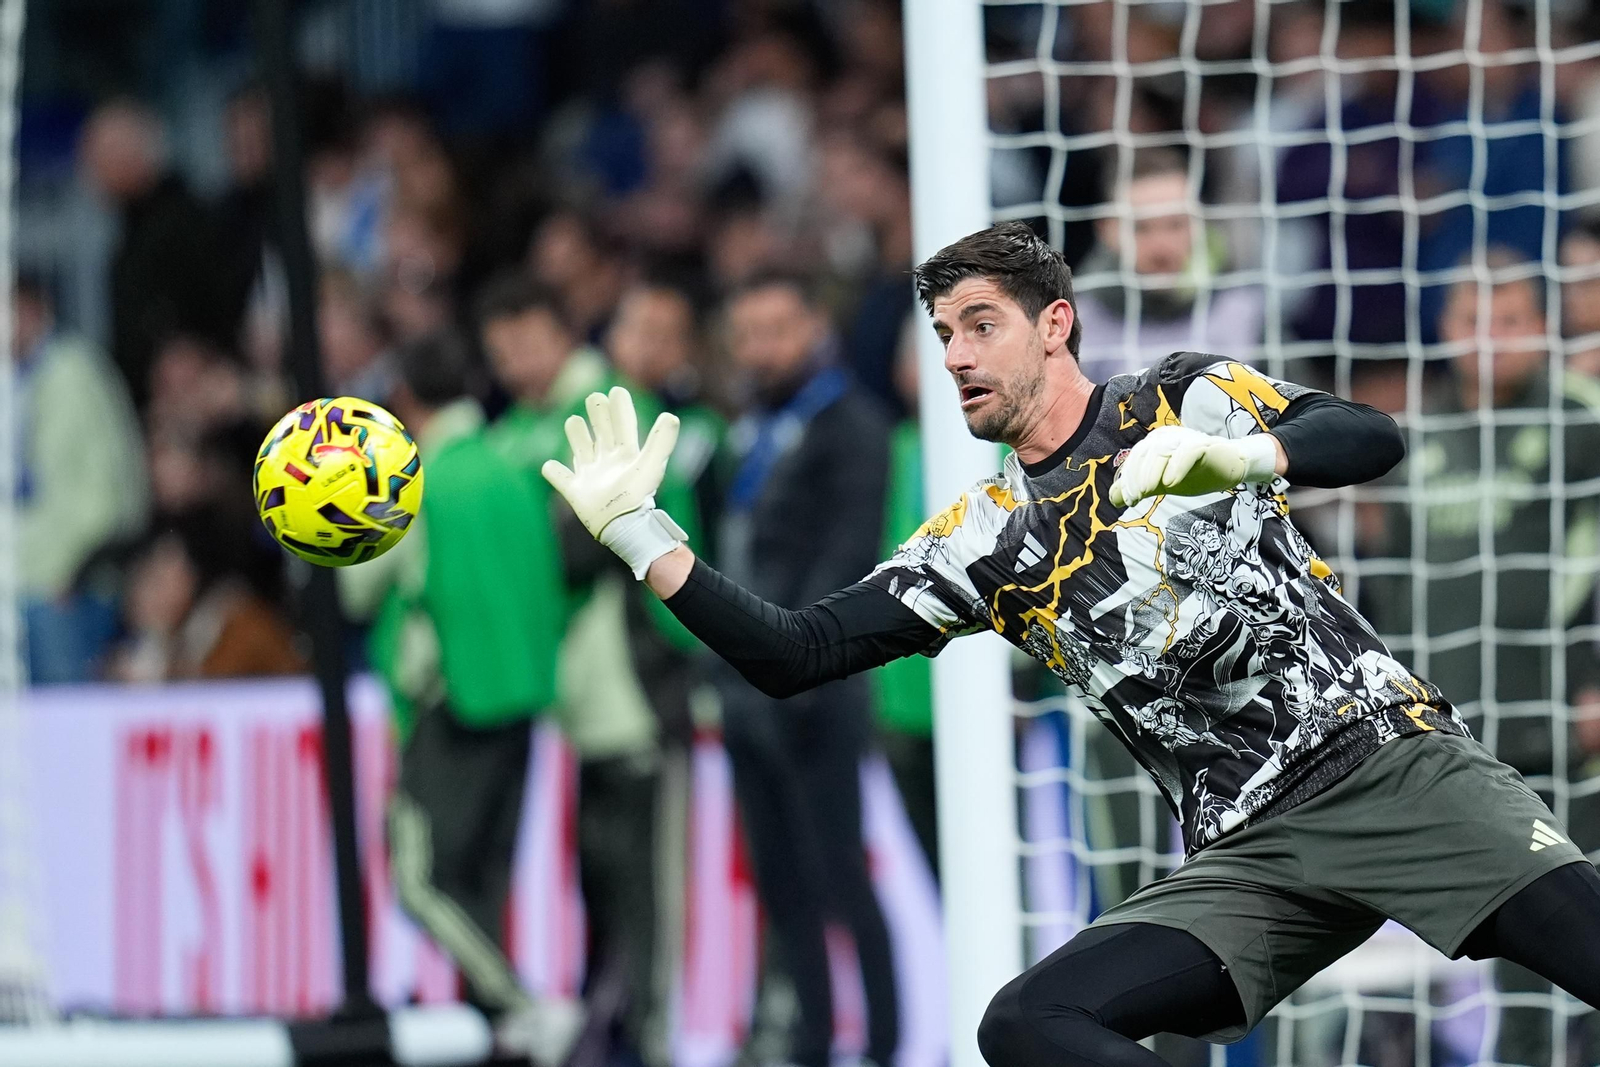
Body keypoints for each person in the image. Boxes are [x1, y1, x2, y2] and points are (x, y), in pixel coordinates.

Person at [541, 222, 1600, 1067]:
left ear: (1056, 324)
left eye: (978, 324)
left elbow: (1371, 436)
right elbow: (794, 651)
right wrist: (647, 540)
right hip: (1250, 851)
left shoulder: (1178, 400)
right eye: (941, 333)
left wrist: (1238, 459)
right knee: (1027, 1021)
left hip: (1389, 767)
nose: (954, 354)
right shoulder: (979, 542)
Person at [1366, 248, 1600, 1064]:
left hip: (1560, 729)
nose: (1493, 340)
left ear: (1542, 328)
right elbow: (1393, 588)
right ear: (1447, 331)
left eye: (1512, 322)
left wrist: (1592, 675)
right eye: (1475, 322)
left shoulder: (1578, 422)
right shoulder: (1414, 442)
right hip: (1454, 738)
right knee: (1510, 953)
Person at [337, 328, 581, 1065]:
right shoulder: (513, 467)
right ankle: (505, 1027)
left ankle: (523, 1005)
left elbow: (361, 586)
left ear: (405, 398)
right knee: (481, 876)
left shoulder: (419, 482)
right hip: (522, 695)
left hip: (450, 701)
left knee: (421, 877)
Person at [479, 274, 693, 1067]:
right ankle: (614, 1036)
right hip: (583, 705)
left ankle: (650, 1043)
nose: (516, 365)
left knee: (645, 895)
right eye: (501, 355)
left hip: (638, 692)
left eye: (527, 345)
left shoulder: (605, 405)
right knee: (601, 883)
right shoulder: (517, 429)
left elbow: (598, 542)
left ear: (559, 334)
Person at [702, 273, 899, 1067]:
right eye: (746, 333)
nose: (760, 349)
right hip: (744, 690)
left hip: (816, 687)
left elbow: (848, 558)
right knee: (783, 886)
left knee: (840, 877)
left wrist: (799, 658)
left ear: (815, 325)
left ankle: (886, 1044)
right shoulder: (751, 429)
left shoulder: (851, 425)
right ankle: (814, 1042)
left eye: (776, 329)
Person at [12, 275, 147, 682]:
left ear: (31, 309)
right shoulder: (17, 382)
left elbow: (107, 499)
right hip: (25, 579)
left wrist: (67, 571)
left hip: (73, 585)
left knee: (63, 726)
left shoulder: (74, 374)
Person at [79, 100, 240, 410]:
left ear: (133, 154)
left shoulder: (182, 222)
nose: (90, 172)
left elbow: (209, 310)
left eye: (99, 156)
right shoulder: (130, 228)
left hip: (193, 403)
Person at [1072, 148, 1262, 385]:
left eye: (1176, 225)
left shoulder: (1246, 314)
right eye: (1141, 228)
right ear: (1107, 231)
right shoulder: (1076, 325)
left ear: (1200, 225)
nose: (1161, 247)